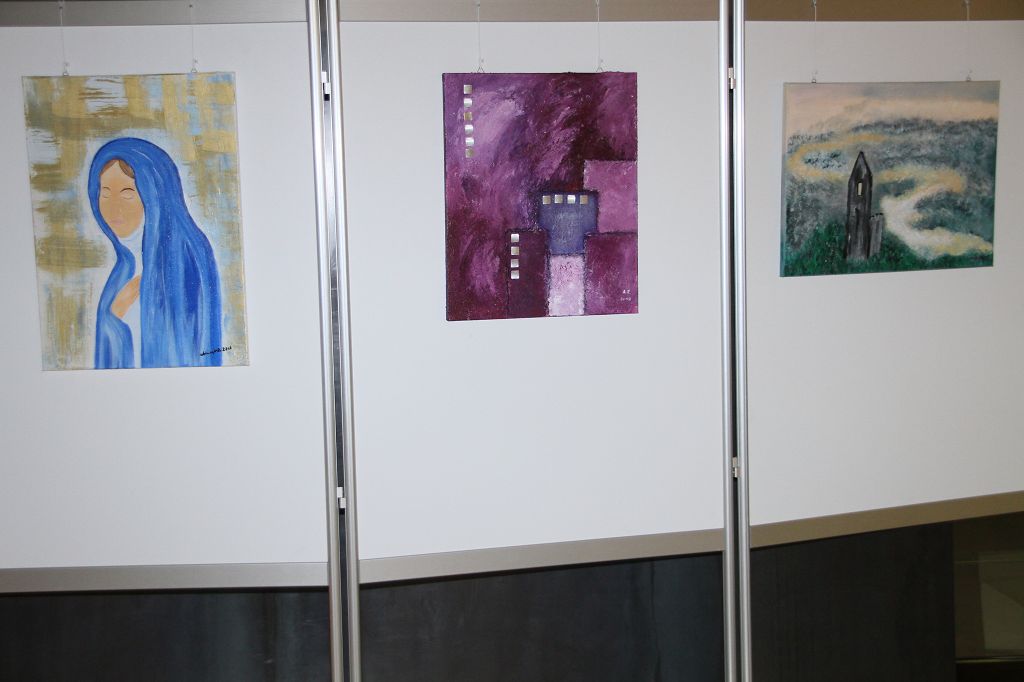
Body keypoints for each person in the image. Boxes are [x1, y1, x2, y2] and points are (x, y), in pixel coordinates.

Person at [88, 137, 222, 369]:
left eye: (127, 193)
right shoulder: (124, 269)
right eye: (105, 194)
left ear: (154, 193)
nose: (113, 207)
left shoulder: (186, 259)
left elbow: (195, 352)